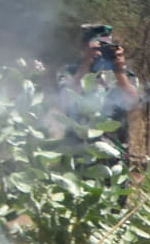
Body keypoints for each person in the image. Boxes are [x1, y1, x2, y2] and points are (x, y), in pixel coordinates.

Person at [58, 24, 142, 162]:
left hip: (114, 149)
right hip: (78, 150)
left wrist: (119, 71)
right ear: (84, 47)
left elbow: (133, 102)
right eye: (98, 47)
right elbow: (64, 99)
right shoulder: (69, 72)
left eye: (106, 45)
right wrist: (85, 66)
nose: (102, 51)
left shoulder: (123, 73)